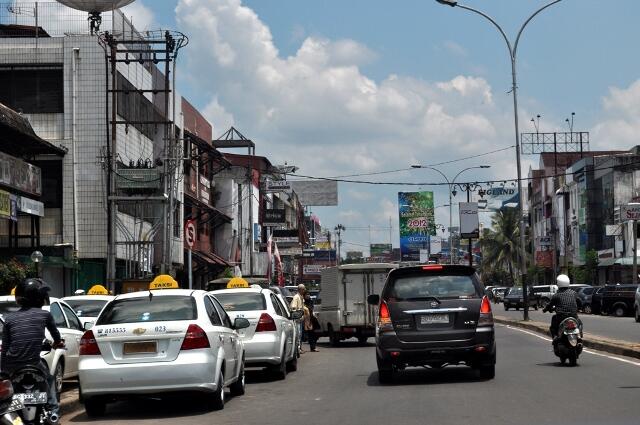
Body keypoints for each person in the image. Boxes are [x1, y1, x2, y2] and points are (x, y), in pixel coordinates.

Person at [1, 278, 64, 423]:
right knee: (49, 378)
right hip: (34, 363)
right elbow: (56, 336)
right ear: (40, 299)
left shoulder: (9, 318)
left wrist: (4, 371)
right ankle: (53, 412)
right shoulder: (44, 315)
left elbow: (5, 348)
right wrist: (58, 343)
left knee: (7, 393)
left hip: (13, 366)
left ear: (19, 298)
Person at [543, 274, 579, 341]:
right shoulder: (573, 293)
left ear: (558, 284)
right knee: (579, 322)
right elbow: (579, 302)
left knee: (553, 322)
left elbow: (550, 305)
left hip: (561, 316)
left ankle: (555, 337)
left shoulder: (556, 295)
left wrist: (545, 309)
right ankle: (580, 335)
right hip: (573, 315)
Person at [290, 284, 305, 352]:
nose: (304, 291)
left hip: (301, 318)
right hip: (297, 318)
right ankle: (298, 349)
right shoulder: (296, 297)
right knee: (298, 334)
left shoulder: (301, 296)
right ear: (300, 289)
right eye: (303, 289)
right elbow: (293, 307)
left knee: (300, 334)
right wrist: (298, 312)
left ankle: (299, 348)